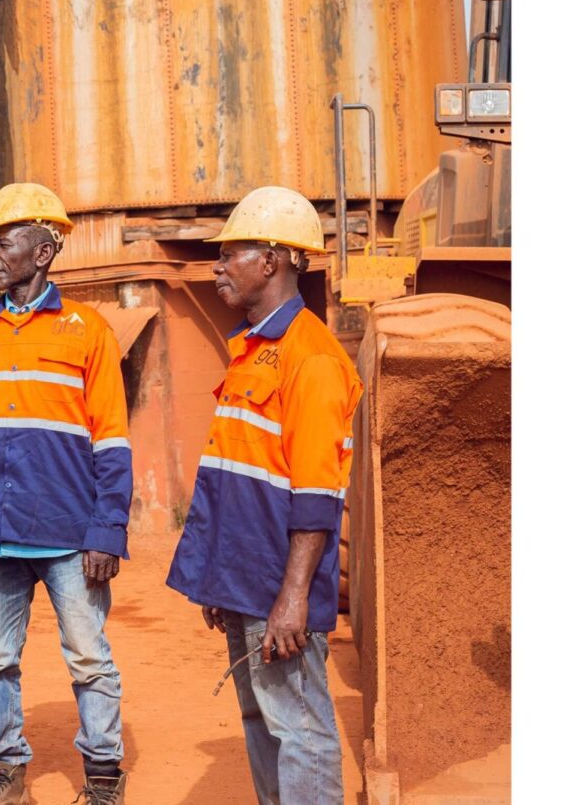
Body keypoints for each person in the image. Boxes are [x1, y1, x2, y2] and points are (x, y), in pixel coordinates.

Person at [0, 183, 132, 805]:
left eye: (3, 242)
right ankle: (5, 773)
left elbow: (113, 443)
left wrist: (107, 530)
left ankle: (102, 779)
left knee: (89, 658)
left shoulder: (88, 331)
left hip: (71, 535)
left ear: (43, 251)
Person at [166, 186, 362, 805]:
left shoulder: (313, 361)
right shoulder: (253, 351)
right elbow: (235, 474)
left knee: (299, 728)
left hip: (280, 585)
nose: (216, 267)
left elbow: (315, 496)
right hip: (244, 576)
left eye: (231, 254)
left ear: (273, 261)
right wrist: (218, 580)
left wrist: (293, 598)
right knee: (261, 719)